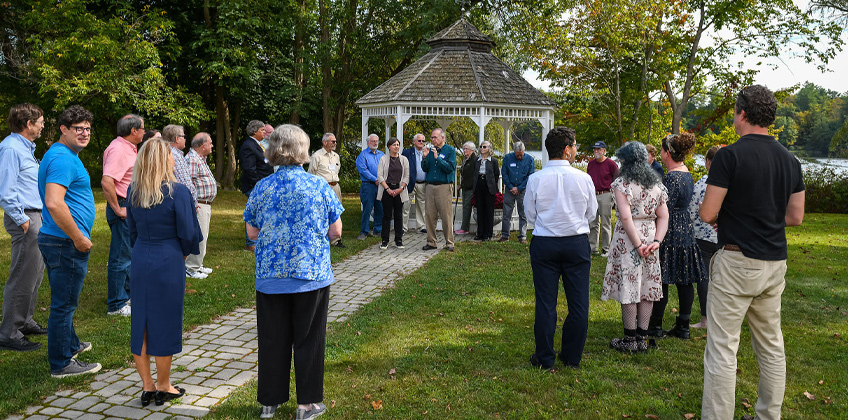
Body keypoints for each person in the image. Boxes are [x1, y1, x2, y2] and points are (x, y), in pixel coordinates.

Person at [700, 85, 804, 420]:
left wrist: (731, 217)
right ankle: (768, 416)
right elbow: (795, 217)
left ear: (742, 113)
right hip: (774, 263)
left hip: (736, 260)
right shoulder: (790, 160)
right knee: (771, 346)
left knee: (722, 348)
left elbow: (707, 213)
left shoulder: (729, 155)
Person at [244, 124, 343, 420]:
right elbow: (336, 230)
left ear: (273, 151)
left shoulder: (262, 187)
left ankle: (269, 403)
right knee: (309, 339)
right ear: (303, 152)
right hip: (310, 275)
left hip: (271, 277)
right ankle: (307, 405)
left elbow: (251, 231)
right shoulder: (318, 186)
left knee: (273, 339)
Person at [126, 139, 201, 407]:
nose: (172, 159)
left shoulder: (134, 191)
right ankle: (164, 385)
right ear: (162, 160)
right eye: (169, 156)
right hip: (168, 258)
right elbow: (189, 233)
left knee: (142, 322)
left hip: (141, 257)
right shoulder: (178, 192)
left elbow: (132, 231)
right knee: (166, 320)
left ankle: (147, 387)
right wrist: (181, 252)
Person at [524, 126, 597, 369]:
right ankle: (571, 357)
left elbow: (530, 215)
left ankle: (545, 359)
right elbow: (591, 213)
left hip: (545, 242)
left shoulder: (535, 179)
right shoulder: (584, 178)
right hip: (575, 242)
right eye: (575, 146)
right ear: (566, 150)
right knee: (579, 303)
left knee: (546, 302)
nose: (577, 150)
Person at [38, 105, 101, 377]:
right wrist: (78, 238)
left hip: (59, 240)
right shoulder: (63, 158)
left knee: (64, 300)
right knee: (63, 305)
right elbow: (53, 202)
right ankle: (61, 363)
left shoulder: (64, 154)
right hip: (65, 242)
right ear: (63, 129)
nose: (85, 133)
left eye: (88, 128)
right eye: (79, 128)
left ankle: (71, 344)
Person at [600, 141, 669, 353]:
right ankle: (642, 338)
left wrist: (638, 244)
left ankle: (630, 339)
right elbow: (664, 216)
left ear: (626, 160)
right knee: (647, 286)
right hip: (650, 235)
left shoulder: (622, 184)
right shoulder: (656, 184)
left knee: (630, 286)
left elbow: (626, 216)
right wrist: (656, 241)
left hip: (629, 238)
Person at [647, 133, 707, 340]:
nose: (661, 154)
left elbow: (664, 207)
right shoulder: (687, 173)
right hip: (685, 228)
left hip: (670, 228)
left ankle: (655, 325)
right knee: (685, 279)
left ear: (667, 153)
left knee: (663, 277)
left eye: (662, 150)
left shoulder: (671, 177)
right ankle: (683, 325)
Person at [0, 103, 47, 352]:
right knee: (21, 276)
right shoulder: (10, 148)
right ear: (28, 124)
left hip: (35, 215)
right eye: (40, 122)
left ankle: (24, 321)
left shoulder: (25, 148)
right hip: (26, 217)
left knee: (34, 274)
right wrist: (22, 219)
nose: (42, 126)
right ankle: (9, 332)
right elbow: (6, 191)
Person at [101, 114, 145, 317]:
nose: (145, 132)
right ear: (133, 130)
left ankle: (126, 296)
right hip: (123, 205)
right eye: (142, 128)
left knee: (130, 254)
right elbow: (107, 181)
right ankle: (116, 304)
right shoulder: (119, 149)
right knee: (121, 256)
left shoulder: (128, 148)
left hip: (130, 205)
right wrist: (118, 209)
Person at [688, 146, 720, 330]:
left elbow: (692, 211)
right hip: (725, 237)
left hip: (703, 238)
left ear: (708, 162)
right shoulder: (729, 183)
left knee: (704, 278)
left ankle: (706, 319)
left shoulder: (702, 184)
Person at [186, 132, 218, 279]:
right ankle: (191, 268)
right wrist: (192, 203)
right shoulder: (193, 160)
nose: (212, 145)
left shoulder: (200, 159)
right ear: (201, 145)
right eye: (210, 143)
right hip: (199, 204)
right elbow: (189, 183)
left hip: (204, 203)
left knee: (203, 236)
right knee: (199, 236)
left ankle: (198, 265)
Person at [239, 120, 274, 251]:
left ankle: (259, 240)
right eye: (262, 130)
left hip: (262, 185)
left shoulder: (258, 145)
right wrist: (258, 185)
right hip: (254, 186)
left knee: (261, 213)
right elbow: (249, 169)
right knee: (253, 213)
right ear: (255, 131)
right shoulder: (249, 145)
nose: (265, 132)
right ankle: (250, 243)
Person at [421, 128, 457, 251]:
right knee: (430, 215)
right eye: (431, 137)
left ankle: (449, 243)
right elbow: (425, 169)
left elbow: (450, 168)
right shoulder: (430, 151)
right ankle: (431, 242)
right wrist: (425, 158)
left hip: (444, 186)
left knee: (446, 215)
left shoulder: (450, 151)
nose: (433, 140)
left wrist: (438, 158)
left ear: (442, 137)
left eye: (435, 137)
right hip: (430, 186)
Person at [307, 133, 345, 248]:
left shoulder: (336, 156)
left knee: (336, 213)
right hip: (322, 188)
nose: (335, 144)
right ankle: (321, 238)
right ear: (325, 142)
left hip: (335, 187)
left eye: (335, 141)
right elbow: (311, 173)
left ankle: (336, 240)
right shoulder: (316, 156)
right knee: (322, 213)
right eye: (332, 141)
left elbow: (337, 170)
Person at [587, 141, 619, 257]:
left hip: (605, 194)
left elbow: (618, 179)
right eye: (595, 149)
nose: (596, 151)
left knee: (605, 223)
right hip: (593, 194)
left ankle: (606, 249)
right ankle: (592, 247)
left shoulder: (611, 164)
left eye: (599, 149)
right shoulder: (591, 164)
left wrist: (613, 194)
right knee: (592, 222)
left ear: (604, 151)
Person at [377, 137, 409, 249]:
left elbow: (407, 176)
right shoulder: (383, 159)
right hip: (387, 189)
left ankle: (398, 240)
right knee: (387, 215)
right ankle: (384, 240)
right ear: (389, 147)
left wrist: (401, 188)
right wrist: (387, 189)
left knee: (398, 215)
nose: (396, 147)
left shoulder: (404, 159)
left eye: (398, 145)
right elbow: (380, 175)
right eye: (394, 145)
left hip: (400, 189)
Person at [499, 141, 535, 244]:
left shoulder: (529, 159)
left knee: (522, 213)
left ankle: (522, 236)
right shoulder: (508, 158)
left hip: (523, 190)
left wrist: (519, 188)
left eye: (521, 155)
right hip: (509, 189)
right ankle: (505, 235)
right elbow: (504, 173)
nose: (519, 157)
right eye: (517, 155)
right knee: (506, 213)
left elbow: (530, 176)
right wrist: (511, 187)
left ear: (524, 151)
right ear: (514, 152)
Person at [356, 134, 384, 240]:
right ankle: (364, 232)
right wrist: (375, 179)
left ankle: (378, 230)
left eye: (376, 141)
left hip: (380, 185)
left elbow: (386, 167)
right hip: (368, 185)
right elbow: (363, 170)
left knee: (380, 208)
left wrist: (382, 180)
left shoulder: (382, 154)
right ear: (368, 142)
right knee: (367, 209)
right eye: (372, 141)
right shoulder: (362, 155)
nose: (375, 143)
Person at [163, 124, 197, 204]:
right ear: (177, 139)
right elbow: (185, 184)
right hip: (182, 202)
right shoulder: (176, 156)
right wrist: (194, 202)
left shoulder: (164, 152)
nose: (185, 139)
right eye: (184, 136)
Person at [473, 140, 499, 241]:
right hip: (479, 184)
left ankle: (488, 234)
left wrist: (492, 185)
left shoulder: (493, 161)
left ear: (489, 149)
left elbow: (496, 174)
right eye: (481, 146)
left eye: (484, 147)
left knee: (489, 210)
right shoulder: (477, 160)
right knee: (480, 210)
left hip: (489, 187)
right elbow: (474, 174)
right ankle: (480, 233)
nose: (482, 148)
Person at [401, 133, 427, 233]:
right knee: (406, 206)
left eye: (423, 141)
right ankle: (403, 227)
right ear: (414, 141)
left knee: (421, 206)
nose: (421, 143)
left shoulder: (427, 153)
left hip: (423, 184)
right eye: (419, 141)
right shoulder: (407, 152)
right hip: (410, 183)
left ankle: (421, 227)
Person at [456, 141, 476, 235]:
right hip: (465, 187)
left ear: (472, 150)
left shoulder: (474, 160)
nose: (464, 150)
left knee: (467, 207)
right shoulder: (465, 159)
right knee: (465, 207)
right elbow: (465, 175)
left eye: (466, 149)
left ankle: (464, 228)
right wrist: (461, 184)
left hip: (470, 188)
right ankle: (464, 227)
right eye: (464, 149)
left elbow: (473, 175)